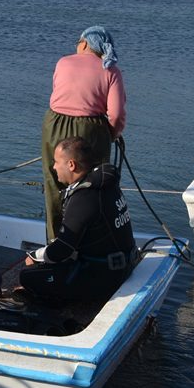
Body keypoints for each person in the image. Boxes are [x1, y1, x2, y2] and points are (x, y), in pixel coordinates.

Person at [20, 137, 136, 304]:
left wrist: (34, 256)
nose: (53, 167)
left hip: (102, 279)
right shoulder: (106, 184)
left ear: (71, 165)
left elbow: (61, 251)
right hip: (123, 265)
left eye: (56, 162)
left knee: (27, 276)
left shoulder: (84, 197)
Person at [41, 25, 126, 240]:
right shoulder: (111, 71)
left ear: (85, 43)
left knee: (54, 183)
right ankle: (89, 241)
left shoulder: (63, 62)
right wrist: (112, 135)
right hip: (92, 129)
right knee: (94, 185)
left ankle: (55, 242)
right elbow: (115, 114)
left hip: (55, 124)